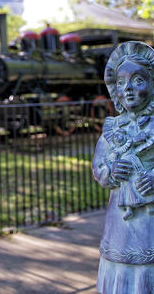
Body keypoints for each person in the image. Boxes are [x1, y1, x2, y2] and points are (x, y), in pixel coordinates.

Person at [93, 41, 154, 293]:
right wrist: (110, 170)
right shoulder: (112, 129)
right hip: (120, 226)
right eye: (120, 83)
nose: (128, 89)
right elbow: (99, 167)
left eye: (138, 80)